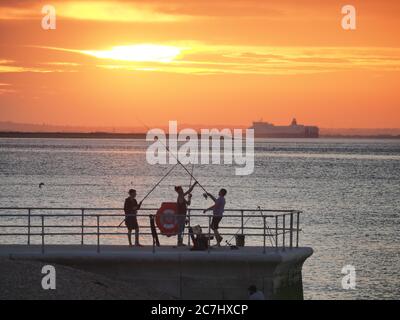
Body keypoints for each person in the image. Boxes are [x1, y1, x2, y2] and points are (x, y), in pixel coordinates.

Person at [175, 181, 198, 246]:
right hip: (180, 215)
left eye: (182, 189)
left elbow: (188, 203)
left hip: (183, 215)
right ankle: (179, 242)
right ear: (178, 191)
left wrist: (189, 198)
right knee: (180, 229)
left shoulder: (182, 196)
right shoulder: (180, 196)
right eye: (181, 189)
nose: (182, 190)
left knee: (182, 229)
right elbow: (189, 190)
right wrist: (194, 184)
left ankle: (180, 242)